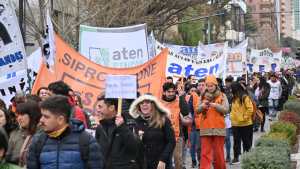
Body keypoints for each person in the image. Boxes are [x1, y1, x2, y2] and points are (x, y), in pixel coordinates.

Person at [27, 95, 103, 169]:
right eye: (42, 116)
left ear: (60, 119)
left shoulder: (86, 140)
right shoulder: (38, 140)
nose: (41, 120)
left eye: (46, 117)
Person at [129, 94, 176, 169]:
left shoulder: (163, 119)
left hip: (161, 164)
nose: (144, 105)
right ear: (139, 106)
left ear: (153, 104)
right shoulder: (137, 122)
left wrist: (163, 160)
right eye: (141, 103)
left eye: (147, 102)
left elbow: (171, 141)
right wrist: (138, 139)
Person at [95, 96, 140, 169]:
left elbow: (134, 148)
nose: (97, 110)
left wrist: (122, 127)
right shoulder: (100, 128)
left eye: (100, 107)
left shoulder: (128, 124)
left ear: (111, 108)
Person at [197, 75, 229, 169]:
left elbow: (226, 110)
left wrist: (216, 106)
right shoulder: (202, 96)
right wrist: (202, 106)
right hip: (205, 128)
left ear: (216, 85)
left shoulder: (223, 95)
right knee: (205, 154)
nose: (210, 88)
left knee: (218, 154)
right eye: (208, 86)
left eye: (212, 86)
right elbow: (197, 110)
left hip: (218, 128)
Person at [160, 82, 190, 169]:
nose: (171, 93)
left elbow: (185, 112)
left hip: (177, 135)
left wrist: (181, 97)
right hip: (163, 136)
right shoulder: (159, 103)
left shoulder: (178, 100)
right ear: (164, 92)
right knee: (164, 160)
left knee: (178, 160)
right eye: (169, 92)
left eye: (173, 91)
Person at [6, 101, 41, 167]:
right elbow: (8, 157)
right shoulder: (15, 134)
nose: (19, 118)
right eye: (17, 116)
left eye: (22, 115)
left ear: (32, 114)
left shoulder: (43, 133)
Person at [230, 82, 254, 164]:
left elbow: (250, 109)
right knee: (236, 142)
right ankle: (236, 158)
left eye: (231, 89)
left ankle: (248, 158)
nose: (230, 90)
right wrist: (232, 118)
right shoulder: (234, 98)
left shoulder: (244, 97)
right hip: (235, 124)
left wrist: (244, 118)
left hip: (246, 124)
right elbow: (233, 110)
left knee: (246, 142)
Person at [224, 76, 234, 162]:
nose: (228, 84)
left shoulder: (234, 90)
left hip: (228, 116)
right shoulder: (222, 90)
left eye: (229, 82)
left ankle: (228, 156)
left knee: (227, 138)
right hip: (219, 117)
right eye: (227, 82)